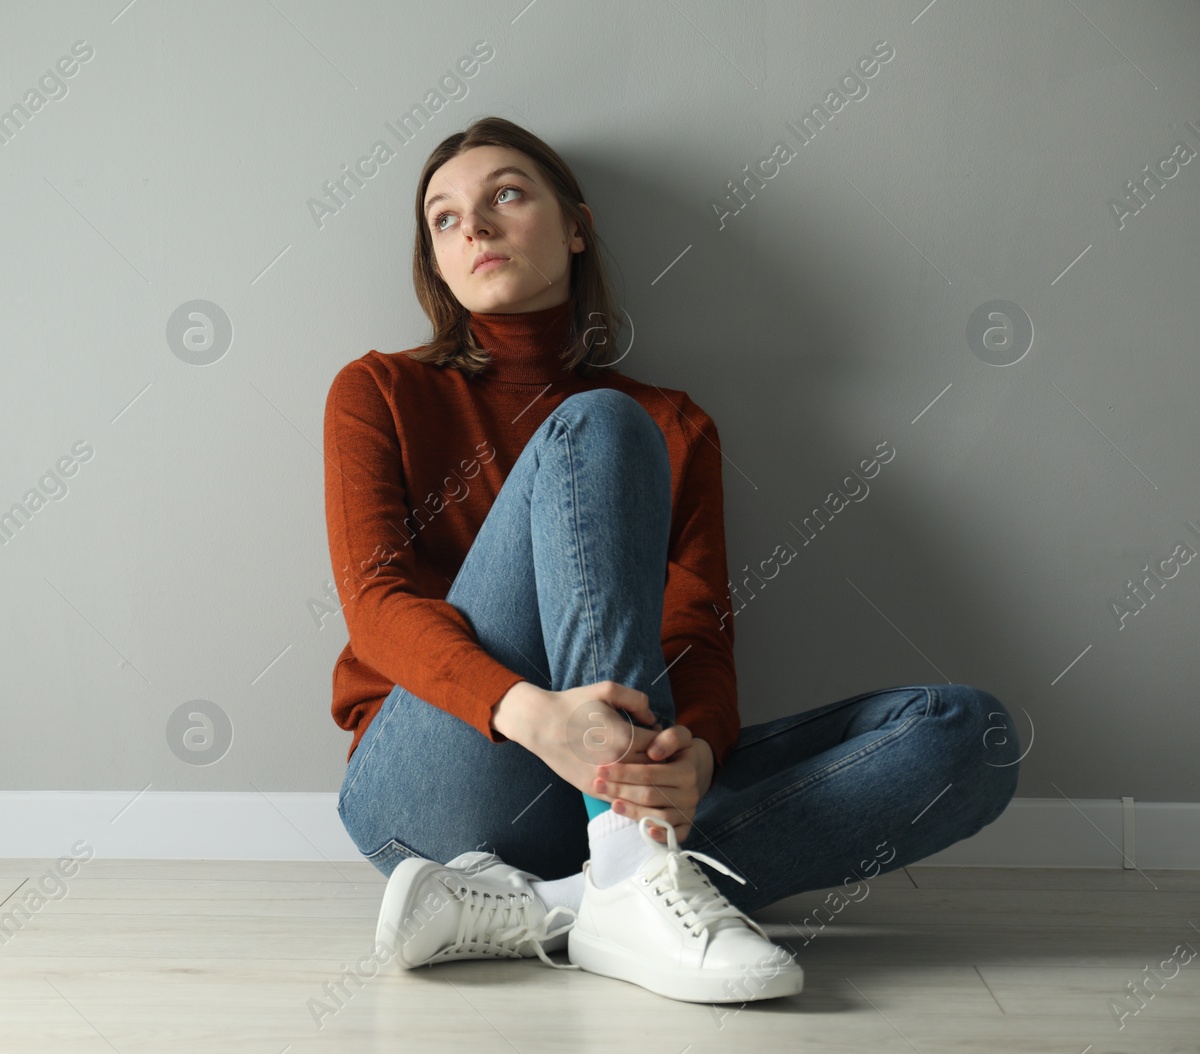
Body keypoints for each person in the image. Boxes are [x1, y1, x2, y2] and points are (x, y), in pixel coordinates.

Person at [321, 116, 1020, 1004]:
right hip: (439, 782)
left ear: (575, 227)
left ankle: (568, 898)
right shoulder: (378, 389)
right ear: (436, 259)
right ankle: (632, 862)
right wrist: (536, 718)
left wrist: (700, 752)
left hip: (621, 774)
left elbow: (695, 635)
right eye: (445, 219)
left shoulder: (676, 421)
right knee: (600, 424)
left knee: (970, 734)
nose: (477, 228)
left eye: (504, 194)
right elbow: (375, 604)